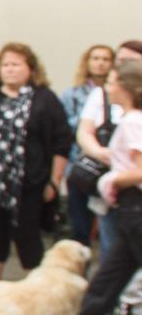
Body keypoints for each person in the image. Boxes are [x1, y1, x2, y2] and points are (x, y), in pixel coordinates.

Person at [18, 60, 142, 315]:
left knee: (109, 280)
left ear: (126, 89)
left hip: (136, 206)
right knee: (106, 281)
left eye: (113, 82)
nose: (107, 87)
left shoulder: (133, 123)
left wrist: (113, 180)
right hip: (129, 209)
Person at [0, 42, 70, 281]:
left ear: (30, 68)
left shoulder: (44, 98)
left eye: (16, 64)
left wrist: (54, 180)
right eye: (5, 65)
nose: (10, 70)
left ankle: (35, 286)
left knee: (27, 234)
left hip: (29, 180)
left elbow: (61, 142)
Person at [63, 44, 118, 242]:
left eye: (105, 59)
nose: (100, 63)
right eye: (95, 58)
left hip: (113, 167)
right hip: (82, 163)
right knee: (80, 224)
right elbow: (70, 130)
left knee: (107, 226)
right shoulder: (73, 94)